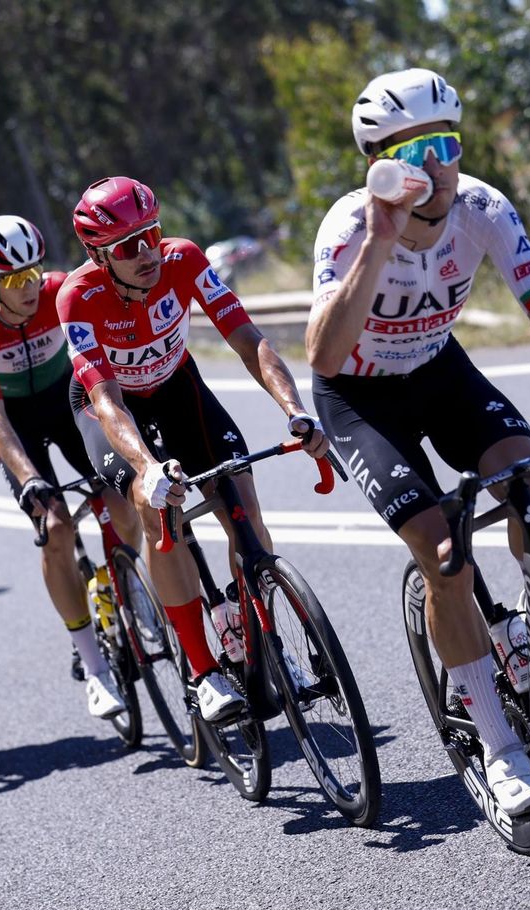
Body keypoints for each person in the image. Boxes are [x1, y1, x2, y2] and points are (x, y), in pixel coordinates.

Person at [305, 68, 530, 817]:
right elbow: (325, 357)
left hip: (439, 371)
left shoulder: (481, 207)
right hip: (362, 398)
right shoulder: (348, 228)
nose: (436, 165)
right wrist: (378, 242)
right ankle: (500, 751)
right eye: (414, 152)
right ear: (378, 164)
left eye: (447, 143)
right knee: (444, 557)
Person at [56, 176, 330, 725]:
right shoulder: (78, 297)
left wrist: (295, 411)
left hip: (178, 387)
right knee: (155, 508)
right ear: (97, 254)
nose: (146, 253)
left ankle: (254, 629)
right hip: (109, 405)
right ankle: (204, 673)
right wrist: (147, 466)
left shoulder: (182, 259)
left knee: (243, 506)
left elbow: (249, 341)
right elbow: (107, 401)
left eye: (151, 235)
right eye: (128, 247)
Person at [0, 215, 141, 719]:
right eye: (14, 280)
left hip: (69, 403)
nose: (29, 287)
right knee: (55, 528)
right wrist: (28, 477)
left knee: (123, 494)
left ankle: (130, 583)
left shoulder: (58, 292)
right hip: (19, 426)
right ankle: (94, 668)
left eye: (33, 273)